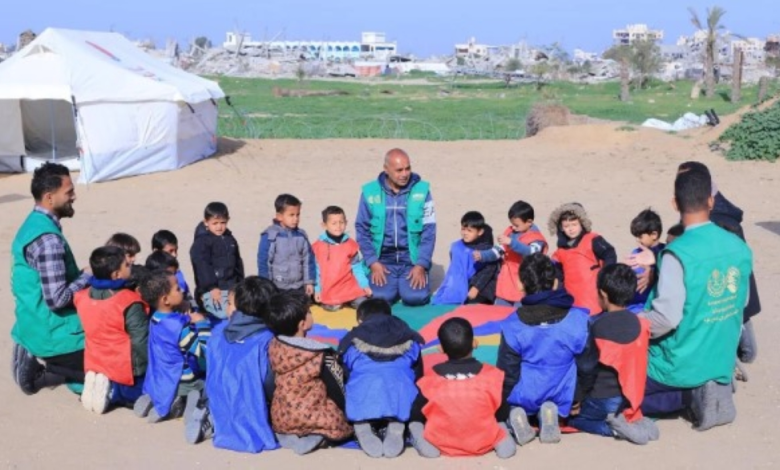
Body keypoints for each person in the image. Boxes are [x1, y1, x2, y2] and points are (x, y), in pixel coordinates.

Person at [637, 166, 752, 431]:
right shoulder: (738, 245)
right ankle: (715, 384)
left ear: (675, 203)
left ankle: (689, 395)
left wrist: (635, 323)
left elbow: (666, 318)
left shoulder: (677, 253)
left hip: (680, 362)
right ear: (711, 201)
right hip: (720, 356)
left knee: (613, 390)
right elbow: (742, 303)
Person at [11, 162, 91, 395]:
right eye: (69, 192)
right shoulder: (48, 241)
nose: (74, 196)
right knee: (112, 370)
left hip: (33, 320)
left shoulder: (33, 223)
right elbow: (57, 299)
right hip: (53, 334)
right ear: (49, 197)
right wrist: (85, 276)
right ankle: (46, 373)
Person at [497, 253, 589, 445]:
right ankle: (549, 411)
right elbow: (586, 364)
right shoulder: (577, 319)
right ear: (555, 283)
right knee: (558, 390)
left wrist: (505, 404)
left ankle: (517, 412)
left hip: (526, 392)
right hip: (562, 390)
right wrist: (577, 395)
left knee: (515, 399)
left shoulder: (513, 324)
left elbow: (507, 370)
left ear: (520, 284)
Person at [677, 161, 761, 365]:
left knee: (729, 324)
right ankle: (744, 354)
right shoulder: (717, 209)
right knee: (738, 316)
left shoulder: (714, 220)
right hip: (734, 287)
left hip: (723, 286)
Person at [188, 276, 279, 451]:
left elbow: (211, 371)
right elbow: (270, 384)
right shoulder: (267, 340)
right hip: (253, 406)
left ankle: (207, 411)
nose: (227, 309)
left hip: (217, 397)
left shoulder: (218, 333)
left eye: (229, 304)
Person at [572, 264, 658, 445]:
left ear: (603, 294)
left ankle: (612, 429)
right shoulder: (641, 323)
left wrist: (577, 399)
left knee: (573, 419)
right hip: (630, 397)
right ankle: (633, 419)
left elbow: (586, 369)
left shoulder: (595, 326)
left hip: (602, 398)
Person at [410, 318, 516, 459]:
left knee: (415, 422)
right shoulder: (492, 375)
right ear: (474, 343)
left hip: (440, 440)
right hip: (483, 438)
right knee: (500, 420)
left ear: (441, 349)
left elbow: (418, 413)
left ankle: (420, 439)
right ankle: (503, 437)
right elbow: (501, 412)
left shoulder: (430, 379)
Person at [266, 290, 353, 455]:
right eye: (309, 312)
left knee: (289, 417)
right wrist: (347, 411)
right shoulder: (320, 354)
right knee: (339, 424)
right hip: (314, 416)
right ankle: (318, 436)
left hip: (281, 416)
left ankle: (289, 433)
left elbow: (270, 383)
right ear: (302, 324)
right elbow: (337, 386)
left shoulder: (274, 346)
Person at [338, 299, 424, 458]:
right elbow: (419, 374)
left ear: (360, 320)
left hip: (362, 399)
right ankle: (396, 423)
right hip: (401, 399)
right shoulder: (408, 336)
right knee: (402, 387)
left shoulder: (352, 339)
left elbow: (344, 372)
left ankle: (362, 424)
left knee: (359, 385)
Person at [355, 148, 436, 306]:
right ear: (386, 169)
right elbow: (362, 230)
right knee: (380, 298)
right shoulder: (369, 192)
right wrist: (373, 262)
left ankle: (412, 280)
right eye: (399, 170)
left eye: (408, 168)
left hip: (410, 260)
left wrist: (421, 264)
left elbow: (429, 232)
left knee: (415, 298)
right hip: (383, 261)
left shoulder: (422, 191)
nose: (405, 174)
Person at [74, 246, 149, 414]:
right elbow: (140, 339)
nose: (131, 265)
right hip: (125, 365)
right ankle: (113, 393)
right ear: (116, 275)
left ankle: (99, 383)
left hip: (97, 359)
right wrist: (153, 362)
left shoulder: (82, 296)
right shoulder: (128, 301)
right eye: (127, 265)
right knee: (141, 391)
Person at [134, 270, 211, 423]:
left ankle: (155, 400)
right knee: (206, 387)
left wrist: (181, 310)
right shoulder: (179, 327)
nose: (182, 290)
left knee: (166, 391)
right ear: (165, 299)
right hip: (183, 379)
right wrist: (202, 323)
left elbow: (169, 328)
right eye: (177, 288)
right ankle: (184, 405)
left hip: (162, 376)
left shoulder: (156, 318)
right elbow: (203, 351)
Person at [548, 202, 617, 314]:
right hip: (573, 302)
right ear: (561, 228)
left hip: (594, 299)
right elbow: (557, 275)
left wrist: (606, 277)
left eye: (574, 224)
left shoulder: (593, 240)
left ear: (582, 223)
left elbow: (609, 253)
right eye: (566, 226)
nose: (571, 229)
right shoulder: (560, 252)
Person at [190, 202, 245, 319]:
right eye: (215, 223)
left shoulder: (230, 239)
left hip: (232, 288)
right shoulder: (202, 242)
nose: (219, 227)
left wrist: (241, 284)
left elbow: (237, 263)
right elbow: (202, 266)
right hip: (214, 291)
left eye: (223, 223)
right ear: (206, 222)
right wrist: (211, 288)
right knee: (223, 316)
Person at [432, 211, 499, 305]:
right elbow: (456, 268)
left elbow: (488, 271)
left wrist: (476, 287)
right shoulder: (457, 246)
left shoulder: (486, 250)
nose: (465, 233)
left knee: (473, 305)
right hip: (465, 283)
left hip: (483, 285)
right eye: (463, 229)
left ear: (480, 232)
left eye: (469, 230)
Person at [312, 206, 371, 311]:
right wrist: (317, 290)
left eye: (341, 222)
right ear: (324, 225)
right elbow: (315, 270)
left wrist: (364, 285)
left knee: (364, 304)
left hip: (349, 286)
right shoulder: (317, 247)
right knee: (332, 308)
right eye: (334, 223)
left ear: (346, 222)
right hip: (330, 287)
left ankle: (350, 299)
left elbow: (357, 267)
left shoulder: (351, 244)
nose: (338, 226)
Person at [490, 201, 548, 307]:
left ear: (529, 222)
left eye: (516, 225)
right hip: (506, 285)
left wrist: (511, 242)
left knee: (520, 318)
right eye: (512, 224)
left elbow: (531, 252)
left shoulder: (536, 238)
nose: (513, 227)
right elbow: (499, 250)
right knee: (499, 316)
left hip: (524, 286)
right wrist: (483, 255)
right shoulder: (510, 232)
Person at [257, 194, 316, 295]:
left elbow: (308, 260)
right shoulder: (271, 236)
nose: (296, 219)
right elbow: (264, 262)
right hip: (278, 287)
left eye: (298, 214)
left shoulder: (301, 236)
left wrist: (309, 282)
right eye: (291, 215)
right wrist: (267, 286)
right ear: (279, 216)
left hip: (298, 287)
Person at [628, 209, 665, 306]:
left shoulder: (665, 253)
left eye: (640, 237)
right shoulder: (636, 253)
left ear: (654, 235)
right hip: (634, 303)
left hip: (653, 305)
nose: (637, 240)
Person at [151, 229, 192, 304]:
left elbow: (186, 293)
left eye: (176, 250)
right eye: (170, 251)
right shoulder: (151, 274)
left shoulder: (177, 272)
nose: (175, 255)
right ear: (156, 251)